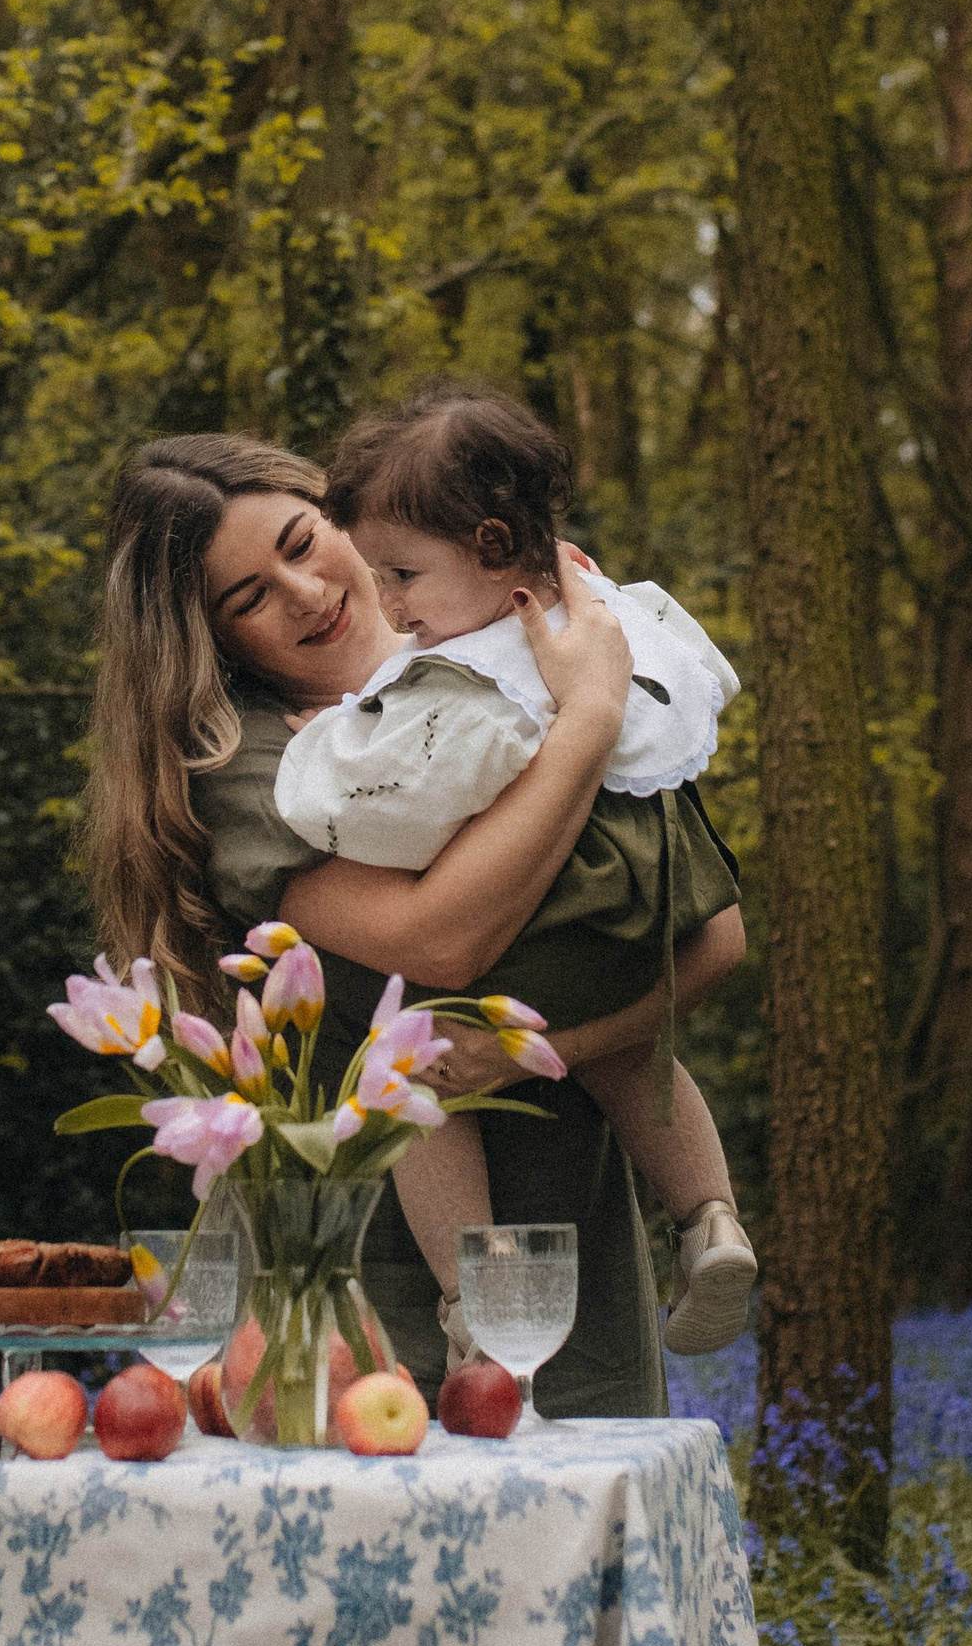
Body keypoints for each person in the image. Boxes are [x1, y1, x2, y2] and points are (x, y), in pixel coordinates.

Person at [84, 434, 748, 1422]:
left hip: (561, 1235)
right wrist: (589, 714)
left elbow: (711, 938)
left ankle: (709, 1220)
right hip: (353, 1264)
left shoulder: (510, 647)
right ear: (212, 642)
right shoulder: (253, 768)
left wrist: (533, 1056)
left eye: (304, 542)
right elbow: (440, 945)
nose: (305, 591)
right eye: (250, 598)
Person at [277, 382, 756, 1358]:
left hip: (560, 900)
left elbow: (407, 805)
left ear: (495, 548)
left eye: (405, 573)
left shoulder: (481, 665)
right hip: (659, 894)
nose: (392, 603)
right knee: (630, 1053)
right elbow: (703, 672)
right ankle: (710, 1220)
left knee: (402, 1071)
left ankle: (471, 1305)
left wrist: (332, 744)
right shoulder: (595, 600)